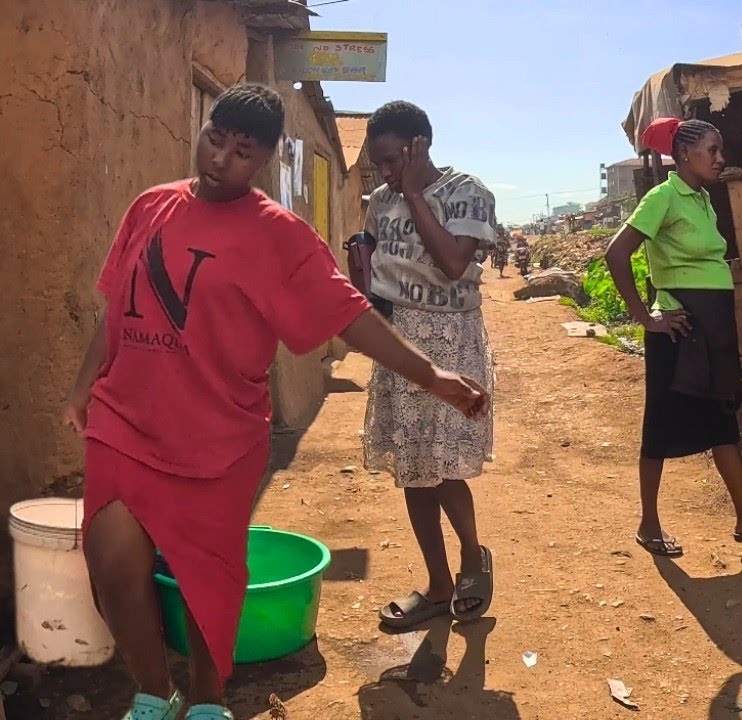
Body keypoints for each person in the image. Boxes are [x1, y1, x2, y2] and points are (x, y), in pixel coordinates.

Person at [62, 84, 488, 720]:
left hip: (216, 435)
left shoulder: (277, 235)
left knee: (208, 576)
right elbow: (117, 306)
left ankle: (207, 699)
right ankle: (153, 692)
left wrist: (433, 376)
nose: (220, 159)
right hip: (126, 418)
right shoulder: (150, 206)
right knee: (111, 556)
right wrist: (83, 383)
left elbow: (350, 316)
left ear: (262, 160)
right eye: (215, 139)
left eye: (241, 151)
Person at [361, 101, 499, 629]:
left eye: (394, 161)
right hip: (399, 344)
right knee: (412, 470)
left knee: (442, 466)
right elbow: (373, 266)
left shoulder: (467, 192)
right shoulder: (379, 202)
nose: (387, 175)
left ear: (420, 147)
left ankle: (471, 557)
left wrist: (415, 194)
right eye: (380, 167)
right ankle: (438, 585)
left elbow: (453, 262)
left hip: (450, 343)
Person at [604, 117, 742, 557]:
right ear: (686, 153)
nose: (720, 158)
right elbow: (616, 254)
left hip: (713, 328)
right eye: (712, 150)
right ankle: (649, 524)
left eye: (719, 150)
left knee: (723, 418)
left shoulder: (704, 200)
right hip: (680, 330)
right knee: (661, 427)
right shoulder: (663, 197)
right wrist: (646, 319)